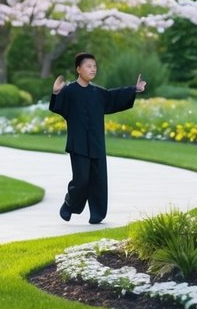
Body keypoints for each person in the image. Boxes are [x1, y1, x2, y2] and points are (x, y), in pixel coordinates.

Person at [49, 52, 146, 224]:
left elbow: (113, 97)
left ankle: (97, 214)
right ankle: (69, 204)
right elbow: (58, 107)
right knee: (81, 180)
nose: (93, 69)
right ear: (78, 69)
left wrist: (134, 89)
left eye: (94, 66)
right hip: (77, 144)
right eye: (88, 66)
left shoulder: (99, 93)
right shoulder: (69, 91)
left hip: (96, 144)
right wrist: (56, 93)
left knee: (99, 180)